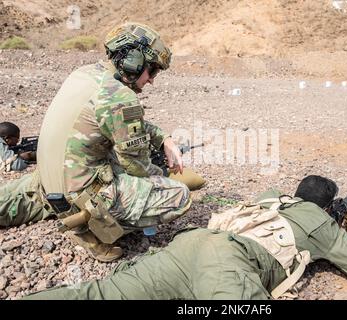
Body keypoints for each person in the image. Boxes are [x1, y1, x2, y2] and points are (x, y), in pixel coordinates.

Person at [0, 22, 202, 262]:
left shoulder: (85, 74)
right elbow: (137, 168)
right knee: (179, 196)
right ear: (133, 61)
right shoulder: (121, 97)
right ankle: (90, 227)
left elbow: (115, 121)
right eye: (153, 71)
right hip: (78, 196)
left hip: (47, 181)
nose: (151, 81)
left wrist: (164, 139)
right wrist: (162, 175)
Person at [24, 175, 347, 300]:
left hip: (190, 245)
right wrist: (333, 227)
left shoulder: (271, 196)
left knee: (97, 294)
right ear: (323, 206)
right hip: (229, 263)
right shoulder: (319, 222)